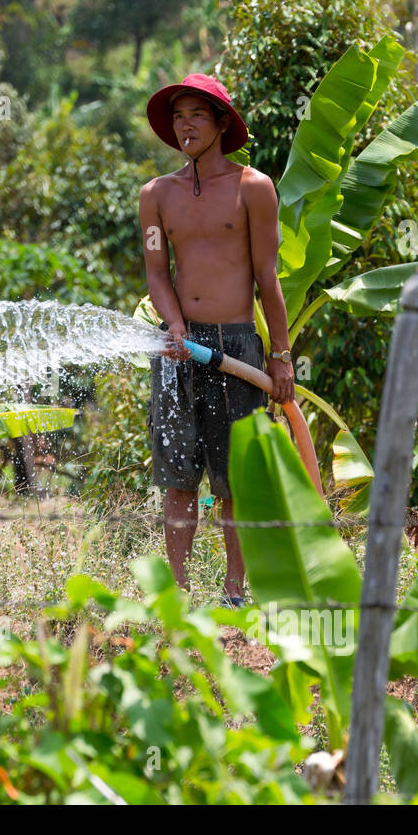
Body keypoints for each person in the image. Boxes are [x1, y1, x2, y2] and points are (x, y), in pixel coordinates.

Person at [139, 73, 296, 601]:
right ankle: (178, 596)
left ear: (222, 124)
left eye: (197, 115)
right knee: (179, 478)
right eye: (179, 116)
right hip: (178, 348)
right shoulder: (156, 196)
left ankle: (234, 593)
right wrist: (176, 328)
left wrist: (280, 355)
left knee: (235, 482)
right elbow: (157, 272)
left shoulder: (254, 188)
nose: (185, 125)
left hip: (238, 347)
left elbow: (267, 279)